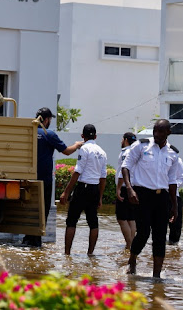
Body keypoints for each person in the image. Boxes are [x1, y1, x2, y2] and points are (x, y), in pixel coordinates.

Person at [122, 119, 180, 278]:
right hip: (142, 196)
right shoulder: (141, 146)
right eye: (155, 130)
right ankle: (132, 259)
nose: (157, 134)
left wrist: (174, 206)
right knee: (143, 233)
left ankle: (156, 276)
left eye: (161, 131)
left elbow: (172, 181)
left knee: (160, 237)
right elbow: (126, 166)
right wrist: (129, 189)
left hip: (162, 199)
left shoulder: (173, 153)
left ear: (168, 132)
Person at [22, 107, 84, 247]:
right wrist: (76, 145)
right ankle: (35, 242)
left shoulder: (28, 132)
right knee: (42, 210)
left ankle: (27, 238)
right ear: (46, 119)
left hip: (26, 179)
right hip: (43, 180)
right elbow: (67, 151)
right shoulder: (48, 134)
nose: (50, 122)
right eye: (49, 119)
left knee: (28, 208)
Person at [60, 124, 108, 255]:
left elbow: (77, 172)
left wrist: (66, 191)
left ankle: (67, 254)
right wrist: (100, 197)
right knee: (93, 223)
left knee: (71, 221)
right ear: (96, 136)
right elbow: (103, 177)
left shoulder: (84, 149)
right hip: (94, 189)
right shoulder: (102, 152)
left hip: (83, 188)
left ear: (82, 136)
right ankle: (90, 253)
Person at [115, 132, 138, 250]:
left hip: (125, 187)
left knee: (121, 218)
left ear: (125, 140)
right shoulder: (136, 151)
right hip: (134, 188)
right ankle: (132, 244)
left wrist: (118, 188)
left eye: (122, 139)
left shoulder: (125, 152)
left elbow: (123, 172)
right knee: (131, 218)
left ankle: (129, 245)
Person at [168, 144, 183, 244]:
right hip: (159, 195)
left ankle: (174, 246)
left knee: (176, 224)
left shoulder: (177, 160)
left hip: (174, 195)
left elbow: (181, 179)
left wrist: (171, 187)